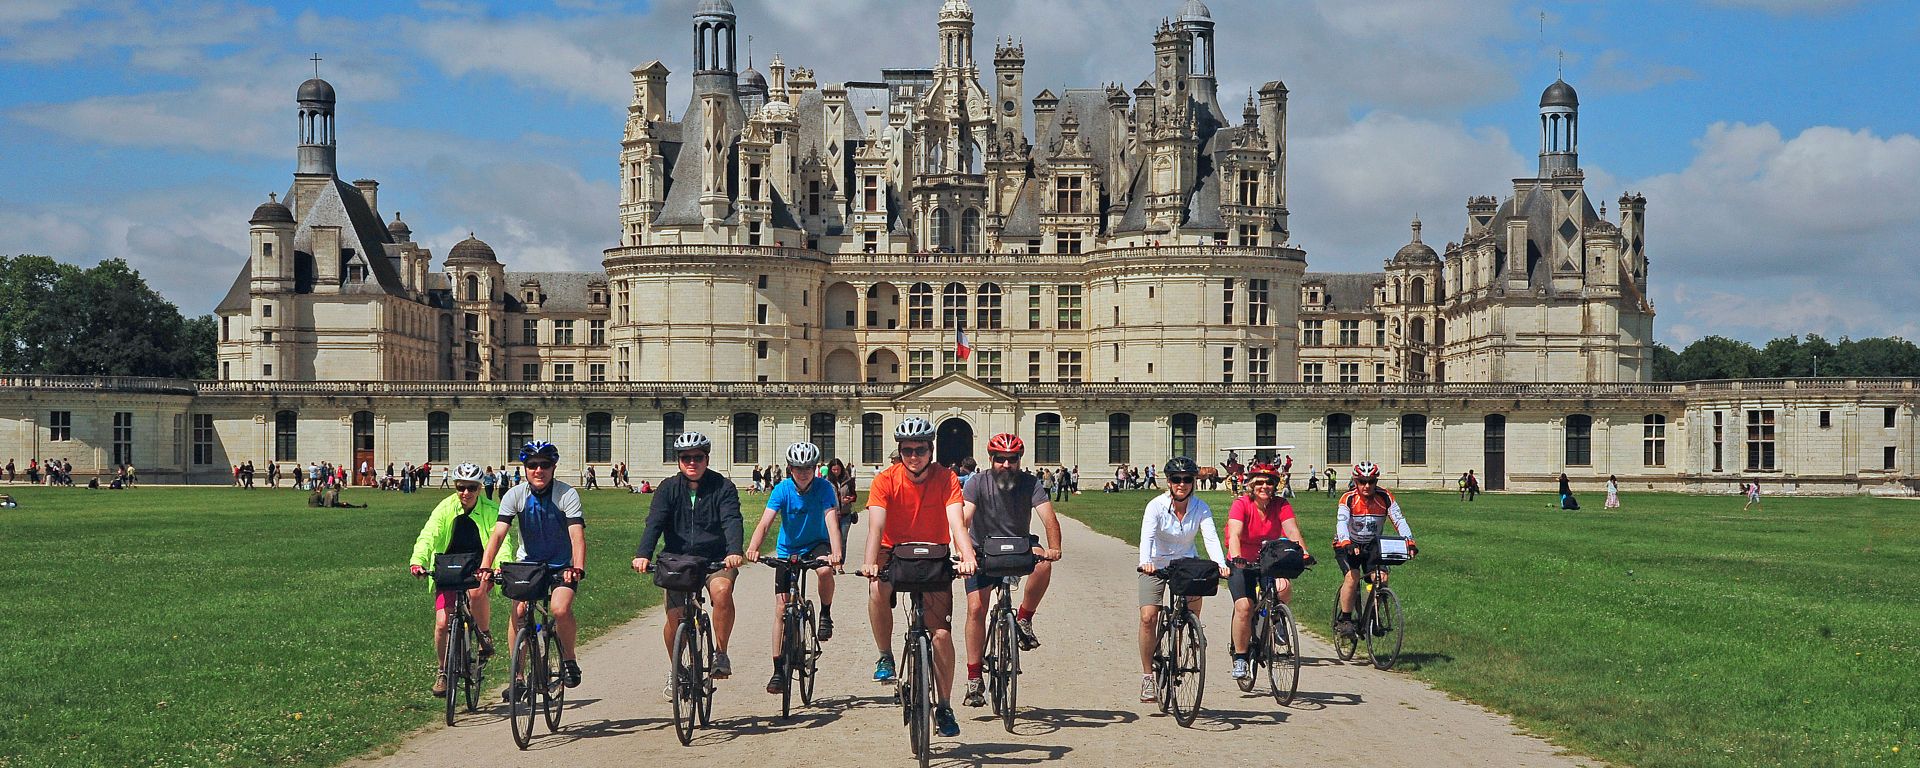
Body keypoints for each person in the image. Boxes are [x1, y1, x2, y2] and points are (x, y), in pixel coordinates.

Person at [859, 416, 975, 738]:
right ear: (900, 451)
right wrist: (870, 563)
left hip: (933, 553)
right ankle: (885, 655)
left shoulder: (947, 478)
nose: (914, 456)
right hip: (892, 549)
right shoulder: (885, 480)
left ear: (930, 450)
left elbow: (957, 523)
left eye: (920, 449)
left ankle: (945, 706)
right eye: (907, 450)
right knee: (877, 589)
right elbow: (875, 527)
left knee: (940, 635)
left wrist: (968, 556)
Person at [632, 431, 745, 692]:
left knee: (722, 591)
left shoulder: (722, 487)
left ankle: (720, 653)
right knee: (675, 618)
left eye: (697, 457)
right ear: (679, 460)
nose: (692, 462)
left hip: (714, 558)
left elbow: (732, 520)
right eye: (685, 458)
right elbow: (655, 523)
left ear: (706, 458)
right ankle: (676, 668)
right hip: (677, 559)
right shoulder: (668, 488)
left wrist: (733, 550)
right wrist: (643, 554)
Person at [960, 433, 1062, 708]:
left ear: (1020, 461)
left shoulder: (1030, 483)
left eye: (1012, 459)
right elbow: (965, 518)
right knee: (975, 609)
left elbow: (1048, 516)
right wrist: (964, 553)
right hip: (982, 550)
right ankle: (973, 677)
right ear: (990, 459)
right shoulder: (976, 482)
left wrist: (1055, 547)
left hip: (1017, 546)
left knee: (1043, 564)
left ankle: (1025, 618)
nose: (1006, 465)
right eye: (1001, 459)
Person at [479, 440, 587, 693]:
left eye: (545, 465)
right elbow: (498, 534)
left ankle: (569, 659)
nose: (539, 470)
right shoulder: (515, 495)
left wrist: (577, 568)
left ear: (554, 467)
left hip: (562, 564)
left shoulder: (566, 494)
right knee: (518, 613)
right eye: (533, 465)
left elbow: (577, 535)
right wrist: (485, 566)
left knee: (560, 610)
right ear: (525, 469)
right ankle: (517, 677)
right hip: (529, 563)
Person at [746, 441, 843, 694]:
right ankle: (778, 669)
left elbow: (831, 520)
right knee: (781, 607)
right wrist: (754, 547)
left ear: (815, 468)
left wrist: (836, 553)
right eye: (798, 468)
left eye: (808, 468)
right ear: (789, 469)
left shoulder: (824, 488)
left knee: (823, 570)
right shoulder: (782, 489)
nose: (803, 473)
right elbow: (766, 522)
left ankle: (825, 614)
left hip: (816, 544)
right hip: (788, 549)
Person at [408, 463, 510, 696]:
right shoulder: (445, 507)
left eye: (471, 488)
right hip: (449, 565)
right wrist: (418, 561)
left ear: (479, 488)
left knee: (476, 592)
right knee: (443, 624)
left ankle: (483, 633)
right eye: (461, 487)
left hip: (479, 564)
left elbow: (501, 540)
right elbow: (429, 534)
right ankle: (443, 671)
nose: (465, 493)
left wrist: (499, 566)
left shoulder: (491, 510)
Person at [1136, 456, 1228, 702]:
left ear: (1194, 482)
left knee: (1193, 600)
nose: (1182, 484)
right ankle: (1147, 677)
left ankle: (1193, 628)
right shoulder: (1155, 506)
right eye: (1176, 479)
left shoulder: (1200, 507)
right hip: (1155, 563)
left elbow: (1210, 537)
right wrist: (1145, 562)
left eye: (1187, 479)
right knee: (1148, 617)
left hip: (1186, 562)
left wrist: (1220, 564)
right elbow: (1147, 536)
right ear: (1168, 482)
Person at [1224, 461, 1308, 680]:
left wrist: (1304, 553)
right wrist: (1236, 557)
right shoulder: (1241, 504)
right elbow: (1234, 534)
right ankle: (1241, 658)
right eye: (1259, 482)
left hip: (1269, 559)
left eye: (1269, 482)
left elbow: (1292, 530)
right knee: (1244, 606)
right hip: (1242, 560)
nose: (1265, 486)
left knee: (1284, 587)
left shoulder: (1281, 504)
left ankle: (1277, 618)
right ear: (1251, 485)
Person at [1333, 462, 1416, 639]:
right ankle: (1346, 620)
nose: (1367, 486)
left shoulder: (1385, 497)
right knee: (1352, 576)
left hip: (1372, 544)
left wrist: (1410, 542)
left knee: (1381, 578)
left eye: (1371, 481)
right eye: (1362, 481)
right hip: (1347, 543)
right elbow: (1341, 523)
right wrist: (1347, 543)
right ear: (1356, 481)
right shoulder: (1348, 498)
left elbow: (1399, 520)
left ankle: (1372, 616)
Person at [827, 458, 858, 547]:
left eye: (838, 469)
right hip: (832, 515)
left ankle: (841, 560)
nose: (836, 472)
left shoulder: (848, 481)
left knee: (843, 541)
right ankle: (833, 559)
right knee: (832, 540)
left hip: (845, 514)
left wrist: (850, 499)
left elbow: (854, 495)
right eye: (834, 470)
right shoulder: (826, 482)